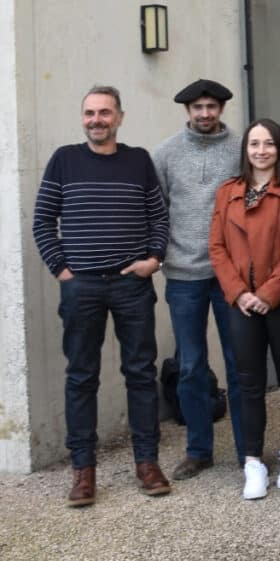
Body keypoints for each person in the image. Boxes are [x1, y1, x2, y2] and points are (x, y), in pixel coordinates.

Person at [32, 85, 171, 506]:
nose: (97, 120)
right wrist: (64, 272)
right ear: (82, 118)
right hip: (82, 287)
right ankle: (83, 472)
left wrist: (155, 259)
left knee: (141, 374)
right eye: (90, 113)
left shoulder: (138, 160)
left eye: (105, 113)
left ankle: (147, 463)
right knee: (81, 377)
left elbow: (158, 216)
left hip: (132, 282)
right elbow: (42, 221)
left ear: (119, 118)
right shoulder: (64, 160)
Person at [209, 118, 280, 500]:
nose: (261, 151)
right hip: (242, 304)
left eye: (269, 144)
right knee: (248, 382)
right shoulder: (228, 192)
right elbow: (216, 247)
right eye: (254, 144)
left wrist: (269, 292)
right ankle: (253, 460)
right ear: (245, 150)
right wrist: (239, 292)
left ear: (279, 150)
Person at [151, 79, 245, 479]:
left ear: (221, 108)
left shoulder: (241, 149)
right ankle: (198, 449)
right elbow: (155, 208)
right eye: (198, 108)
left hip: (230, 275)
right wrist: (158, 254)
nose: (205, 114)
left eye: (212, 107)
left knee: (239, 363)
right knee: (190, 365)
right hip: (183, 275)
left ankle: (248, 448)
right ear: (187, 111)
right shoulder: (165, 154)